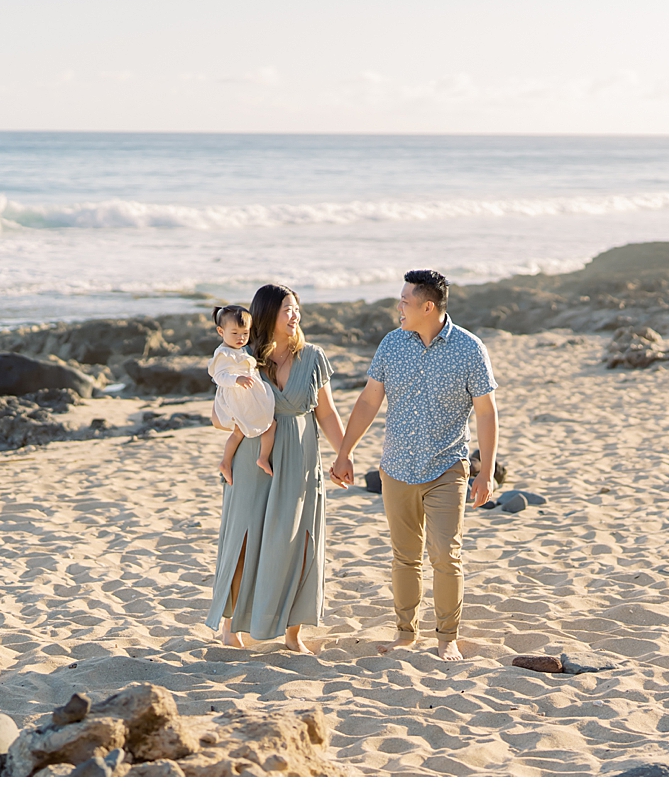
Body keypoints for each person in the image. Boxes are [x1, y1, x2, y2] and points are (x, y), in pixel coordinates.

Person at [331, 269, 498, 662]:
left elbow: (486, 413)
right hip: (396, 468)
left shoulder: (470, 349)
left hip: (447, 467)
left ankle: (447, 637)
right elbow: (370, 400)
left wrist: (486, 470)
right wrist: (345, 452)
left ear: (428, 307)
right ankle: (406, 633)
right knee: (404, 556)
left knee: (446, 555)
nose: (399, 306)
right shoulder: (392, 344)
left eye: (405, 300)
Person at [206, 284, 349, 653]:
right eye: (287, 308)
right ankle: (230, 626)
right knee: (244, 536)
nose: (295, 315)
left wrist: (344, 454)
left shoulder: (313, 357)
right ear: (268, 314)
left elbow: (327, 412)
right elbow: (218, 416)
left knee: (297, 541)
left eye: (297, 308)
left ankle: (292, 633)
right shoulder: (245, 357)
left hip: (300, 456)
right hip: (252, 456)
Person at [208, 305, 277, 483]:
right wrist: (236, 379)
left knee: (267, 424)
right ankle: (228, 461)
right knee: (253, 427)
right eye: (235, 333)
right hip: (236, 398)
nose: (241, 338)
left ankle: (260, 458)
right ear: (220, 331)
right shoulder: (223, 354)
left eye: (245, 333)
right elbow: (219, 376)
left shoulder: (238, 350)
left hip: (247, 396)